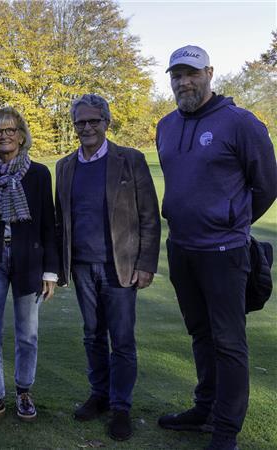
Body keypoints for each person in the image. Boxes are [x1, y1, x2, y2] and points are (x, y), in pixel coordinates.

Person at [156, 45, 277, 450]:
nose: (183, 82)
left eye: (191, 73)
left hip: (225, 252)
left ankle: (225, 430)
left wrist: (231, 220)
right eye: (176, 75)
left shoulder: (240, 123)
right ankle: (204, 408)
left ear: (209, 72)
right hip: (182, 248)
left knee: (228, 342)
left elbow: (266, 185)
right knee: (200, 334)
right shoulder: (166, 126)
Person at [54, 94, 161, 441]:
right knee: (92, 335)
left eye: (93, 121)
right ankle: (99, 395)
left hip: (121, 265)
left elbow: (149, 216)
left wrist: (146, 264)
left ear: (106, 123)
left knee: (123, 340)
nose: (87, 128)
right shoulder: (65, 166)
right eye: (80, 123)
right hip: (82, 265)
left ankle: (121, 406)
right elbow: (61, 220)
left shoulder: (130, 160)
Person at [0, 107, 58, 428]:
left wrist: (50, 271)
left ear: (21, 135)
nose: (3, 135)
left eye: (10, 130)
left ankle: (23, 392)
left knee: (27, 335)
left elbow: (49, 224)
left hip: (29, 262)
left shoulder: (39, 174)